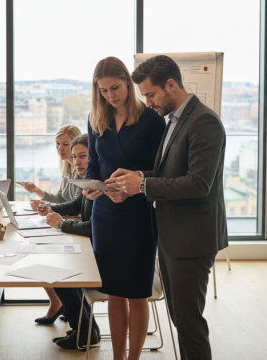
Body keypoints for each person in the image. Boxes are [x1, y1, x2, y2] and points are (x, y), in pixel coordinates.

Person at [109, 55, 228, 360]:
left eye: (151, 94)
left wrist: (143, 186)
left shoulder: (204, 121)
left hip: (192, 239)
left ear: (171, 85)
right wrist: (138, 176)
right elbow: (169, 172)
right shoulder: (173, 120)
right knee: (181, 321)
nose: (148, 103)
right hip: (173, 236)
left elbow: (198, 184)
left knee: (189, 326)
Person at [83, 57, 165, 360]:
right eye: (103, 91)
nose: (110, 96)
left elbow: (163, 170)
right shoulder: (96, 118)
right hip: (105, 216)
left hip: (139, 215)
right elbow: (94, 165)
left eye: (115, 88)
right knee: (114, 293)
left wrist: (134, 187)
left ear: (128, 83)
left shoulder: (151, 119)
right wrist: (91, 187)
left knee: (137, 293)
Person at [37, 133, 101, 349]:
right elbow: (76, 205)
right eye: (74, 157)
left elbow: (93, 227)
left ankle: (84, 331)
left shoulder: (100, 185)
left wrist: (61, 224)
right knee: (61, 266)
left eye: (83, 156)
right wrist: (50, 209)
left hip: (105, 256)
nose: (77, 162)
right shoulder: (90, 181)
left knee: (59, 272)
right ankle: (88, 329)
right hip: (94, 249)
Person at [15, 124, 82, 324]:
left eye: (65, 144)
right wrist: (38, 191)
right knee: (38, 250)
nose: (60, 149)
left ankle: (60, 304)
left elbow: (76, 207)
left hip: (72, 226)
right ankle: (59, 303)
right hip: (64, 222)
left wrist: (48, 207)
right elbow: (61, 198)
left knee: (44, 256)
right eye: (57, 144)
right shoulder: (67, 168)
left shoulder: (80, 170)